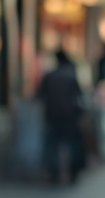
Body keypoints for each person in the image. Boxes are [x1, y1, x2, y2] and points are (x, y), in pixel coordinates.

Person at [36, 49, 84, 184]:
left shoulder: (50, 76)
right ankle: (72, 171)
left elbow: (39, 96)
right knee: (71, 144)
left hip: (53, 115)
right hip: (69, 115)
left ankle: (54, 172)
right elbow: (79, 96)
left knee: (53, 144)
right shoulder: (70, 76)